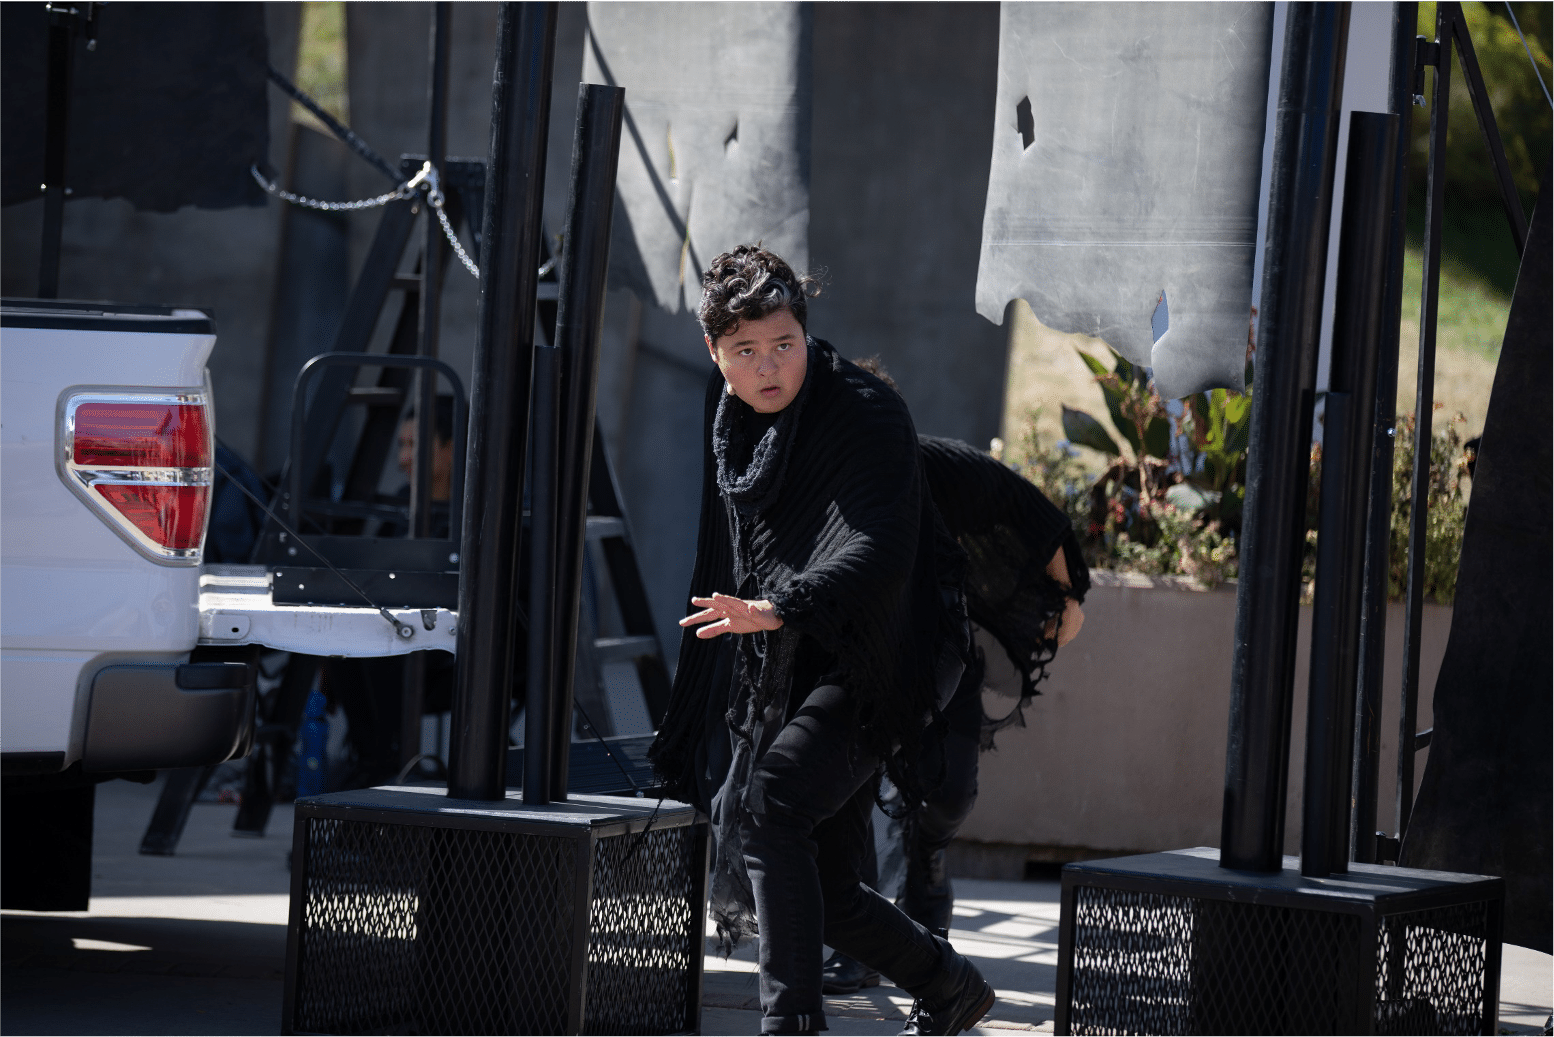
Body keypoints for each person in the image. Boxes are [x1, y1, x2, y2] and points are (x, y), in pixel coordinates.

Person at [648, 246, 995, 1036]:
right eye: (745, 352)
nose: (768, 367)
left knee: (772, 808)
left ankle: (790, 1021)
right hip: (809, 648)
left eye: (783, 344)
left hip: (898, 648)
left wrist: (777, 605)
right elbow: (726, 552)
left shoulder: (866, 409)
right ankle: (953, 988)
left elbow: (878, 549)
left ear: (806, 331)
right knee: (828, 887)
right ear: (715, 354)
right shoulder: (731, 419)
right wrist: (733, 660)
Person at [821, 400, 1089, 993]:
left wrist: (1069, 595)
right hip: (850, 654)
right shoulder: (815, 473)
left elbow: (1032, 511)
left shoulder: (933, 463)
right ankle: (859, 942)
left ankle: (929, 858)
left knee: (949, 790)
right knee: (845, 791)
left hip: (944, 644)